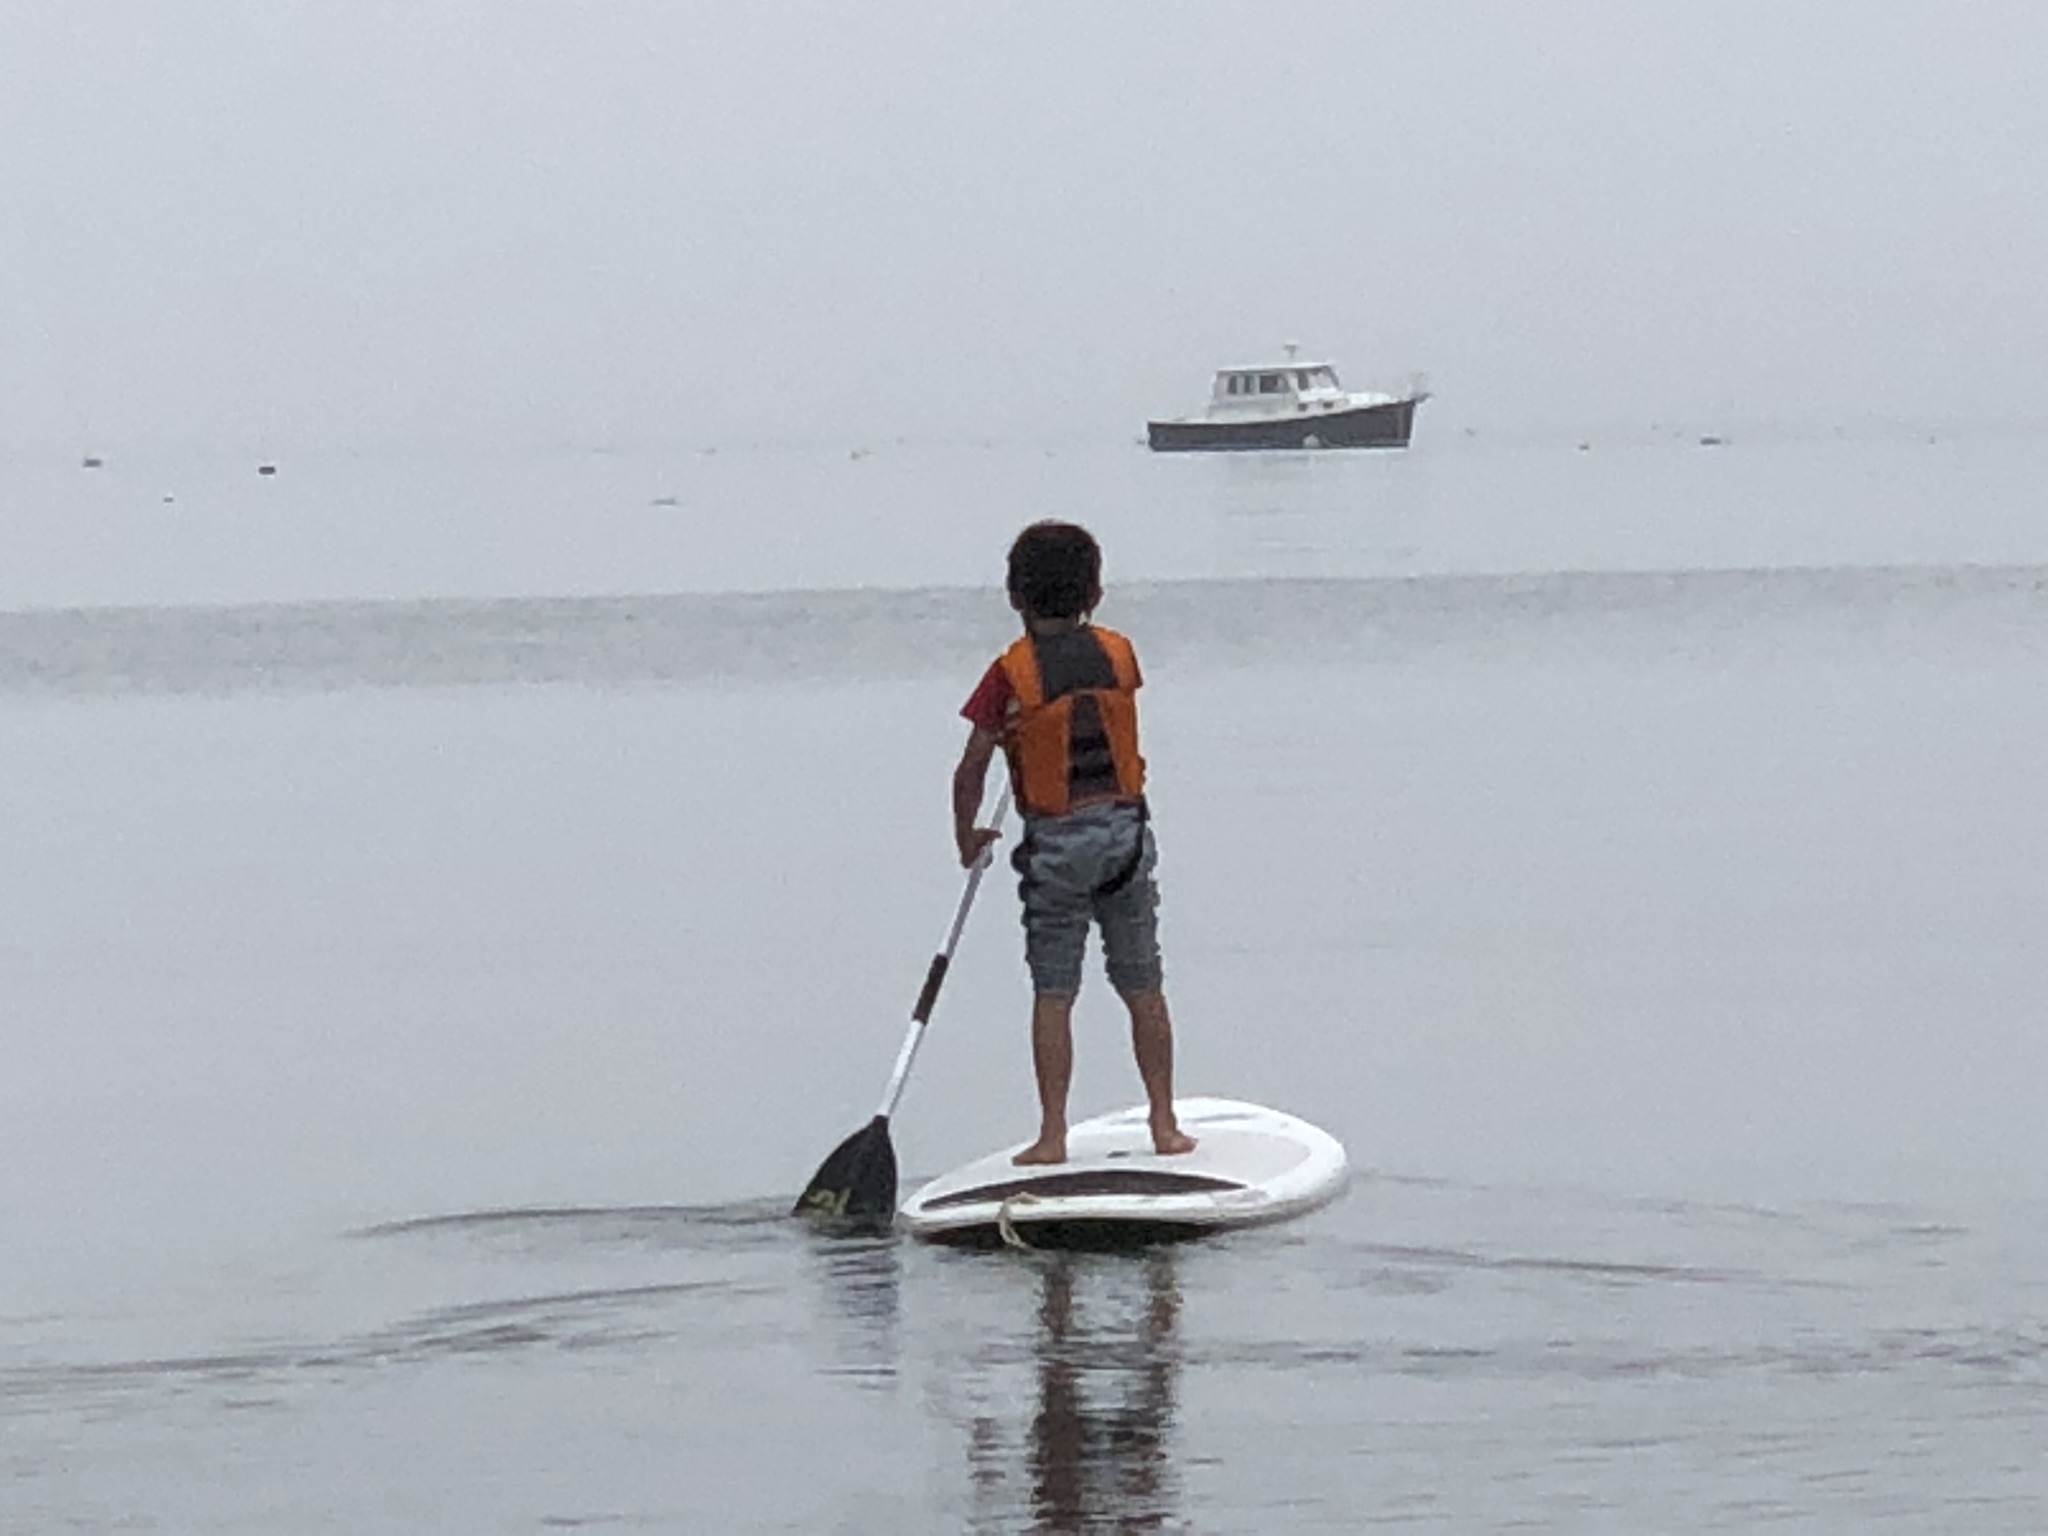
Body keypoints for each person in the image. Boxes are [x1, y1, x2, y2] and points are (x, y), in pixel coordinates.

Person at [952, 521, 1197, 1166]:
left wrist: (967, 835)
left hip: (1056, 852)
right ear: (1096, 591)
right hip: (1124, 839)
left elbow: (971, 768)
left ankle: (1054, 1135)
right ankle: (1166, 1125)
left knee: (1054, 992)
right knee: (1143, 985)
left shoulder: (1008, 676)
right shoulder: (1120, 655)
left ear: (1014, 597)